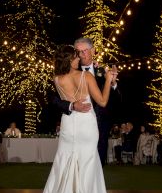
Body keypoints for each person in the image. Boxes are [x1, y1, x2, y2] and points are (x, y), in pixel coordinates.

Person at [36, 44, 115, 193]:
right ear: (70, 58)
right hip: (86, 126)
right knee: (87, 168)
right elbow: (103, 102)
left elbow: (57, 101)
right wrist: (107, 81)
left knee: (63, 165)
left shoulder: (56, 79)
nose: (79, 57)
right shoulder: (86, 76)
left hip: (68, 125)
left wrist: (71, 105)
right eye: (76, 55)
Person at [52, 37, 121, 166]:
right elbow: (54, 100)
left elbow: (118, 100)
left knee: (96, 164)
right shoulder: (64, 74)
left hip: (99, 126)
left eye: (85, 51)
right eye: (78, 52)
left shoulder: (103, 71)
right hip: (72, 124)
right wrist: (71, 105)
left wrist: (112, 83)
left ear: (93, 51)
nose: (81, 55)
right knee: (71, 163)